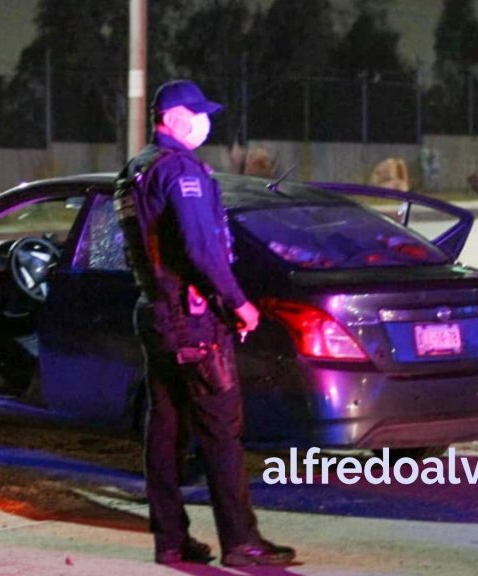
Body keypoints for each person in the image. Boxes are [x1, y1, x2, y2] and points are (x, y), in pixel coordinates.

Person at [114, 79, 296, 567]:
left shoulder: (135, 170)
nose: (206, 122)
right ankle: (241, 542)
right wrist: (237, 303)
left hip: (156, 312)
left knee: (166, 429)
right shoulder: (179, 171)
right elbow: (199, 249)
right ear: (173, 118)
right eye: (197, 114)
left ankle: (170, 539)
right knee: (220, 429)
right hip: (191, 319)